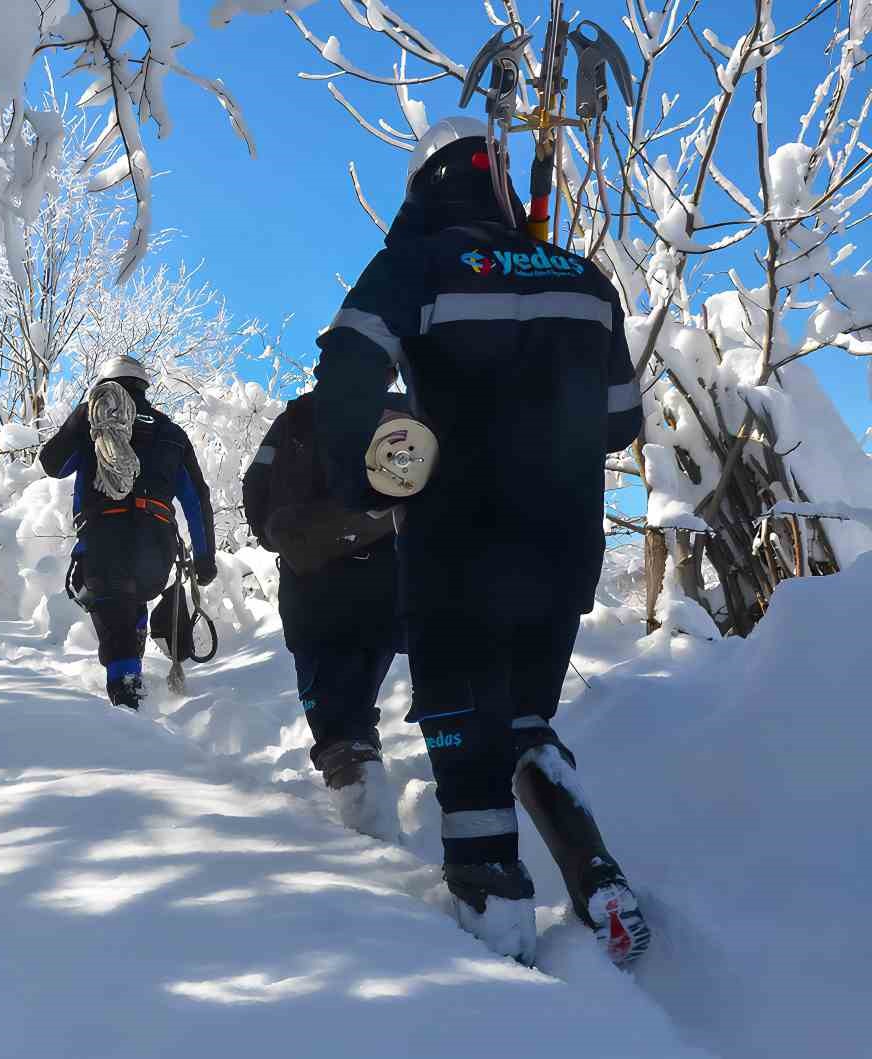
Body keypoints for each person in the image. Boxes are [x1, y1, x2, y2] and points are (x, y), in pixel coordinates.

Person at [308, 116, 649, 966]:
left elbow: (346, 369)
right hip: (563, 547)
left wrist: (364, 475)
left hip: (457, 544)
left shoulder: (417, 265)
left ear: (425, 188)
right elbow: (621, 423)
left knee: (463, 731)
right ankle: (596, 872)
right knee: (528, 715)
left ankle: (497, 927)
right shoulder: (585, 277)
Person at [242, 384, 404, 837]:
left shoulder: (300, 415)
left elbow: (256, 487)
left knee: (334, 722)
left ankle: (376, 845)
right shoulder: (405, 413)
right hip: (390, 580)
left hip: (312, 582)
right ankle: (379, 820)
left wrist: (281, 537)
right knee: (356, 704)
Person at [40, 356, 216, 709]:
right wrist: (204, 557)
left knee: (112, 607)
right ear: (144, 385)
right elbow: (197, 499)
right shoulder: (171, 433)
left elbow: (52, 464)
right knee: (130, 601)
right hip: (157, 544)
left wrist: (80, 416)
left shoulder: (93, 425)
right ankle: (131, 673)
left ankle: (126, 697)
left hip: (106, 539)